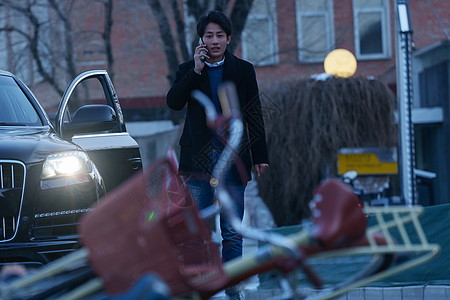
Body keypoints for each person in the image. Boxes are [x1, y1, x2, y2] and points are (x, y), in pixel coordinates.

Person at [166, 10, 269, 299]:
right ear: (201, 39)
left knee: (233, 232)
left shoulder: (243, 70)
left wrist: (260, 155)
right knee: (195, 231)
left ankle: (232, 289)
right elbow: (173, 102)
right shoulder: (189, 69)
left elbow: (254, 114)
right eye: (208, 36)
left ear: (228, 38)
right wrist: (195, 71)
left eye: (219, 35)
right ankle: (200, 287)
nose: (214, 41)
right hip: (197, 163)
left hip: (233, 160)